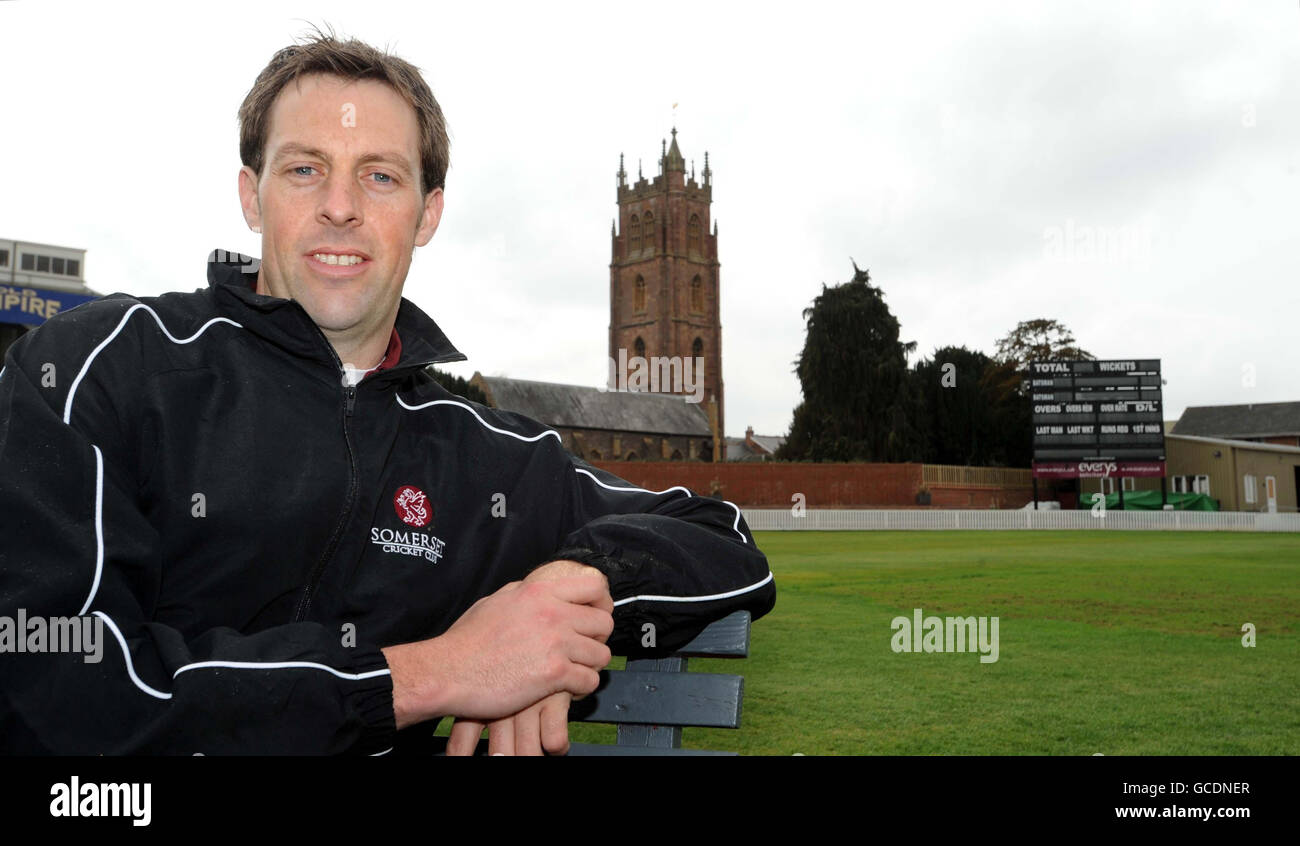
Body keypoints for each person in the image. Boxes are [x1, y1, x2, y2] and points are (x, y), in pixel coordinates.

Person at [0, 30, 774, 755]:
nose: (340, 206)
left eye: (380, 175)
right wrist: (435, 673)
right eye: (305, 168)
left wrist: (563, 596)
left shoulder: (484, 453)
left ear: (428, 212)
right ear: (251, 194)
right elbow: (57, 680)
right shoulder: (95, 368)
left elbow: (724, 538)